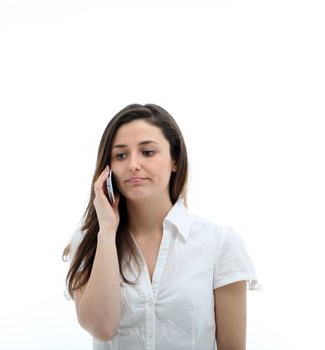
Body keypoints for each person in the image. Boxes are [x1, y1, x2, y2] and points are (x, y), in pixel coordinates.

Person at [62, 103, 259, 350]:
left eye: (147, 152)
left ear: (174, 160)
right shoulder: (88, 241)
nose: (133, 164)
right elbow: (102, 327)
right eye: (121, 155)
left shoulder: (219, 243)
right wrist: (107, 232)